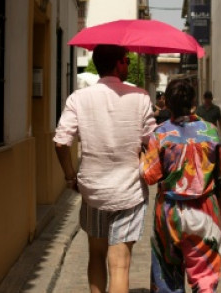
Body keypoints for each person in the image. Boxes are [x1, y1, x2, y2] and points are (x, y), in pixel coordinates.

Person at [54, 44, 155, 293]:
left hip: (93, 192)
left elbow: (60, 141)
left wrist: (70, 177)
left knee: (96, 256)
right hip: (129, 193)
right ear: (118, 63)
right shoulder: (140, 97)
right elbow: (153, 141)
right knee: (119, 265)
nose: (128, 65)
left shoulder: (78, 98)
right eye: (127, 61)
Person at [140, 78, 221, 293]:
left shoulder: (160, 134)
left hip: (169, 214)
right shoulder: (211, 132)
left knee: (167, 278)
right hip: (206, 211)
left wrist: (140, 157)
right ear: (193, 102)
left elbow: (150, 176)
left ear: (167, 103)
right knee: (205, 280)